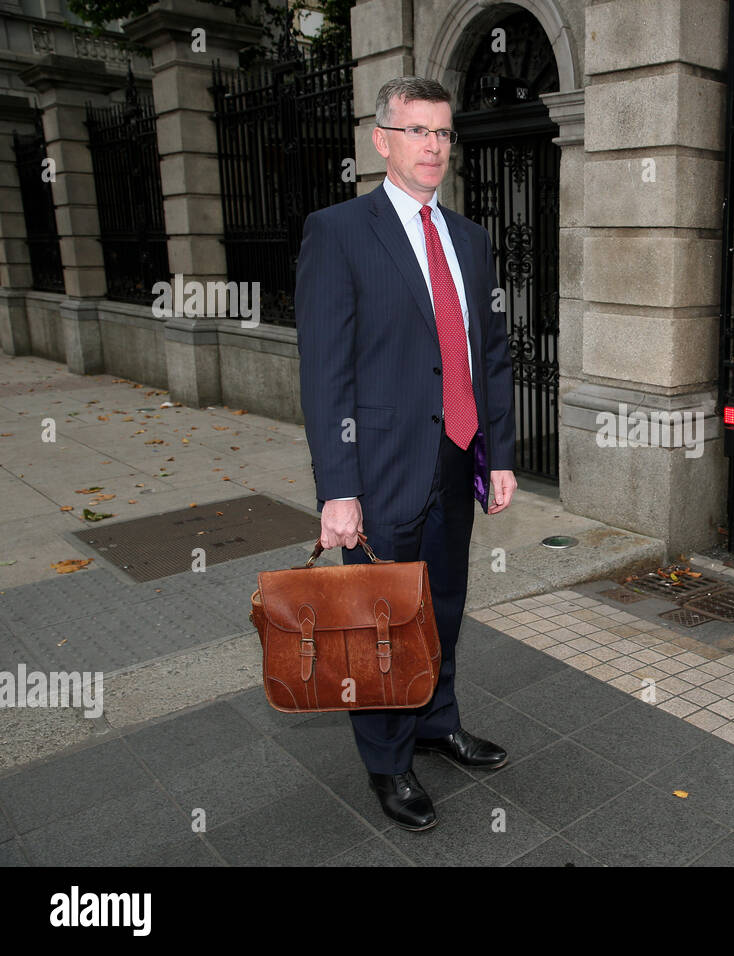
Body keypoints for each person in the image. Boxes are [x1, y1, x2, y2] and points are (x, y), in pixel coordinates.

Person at [295, 75, 518, 832]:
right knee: (378, 626)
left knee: (443, 608)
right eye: (417, 131)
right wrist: (337, 490)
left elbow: (489, 356)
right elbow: (325, 373)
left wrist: (502, 455)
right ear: (381, 139)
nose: (433, 146)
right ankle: (388, 764)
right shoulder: (339, 231)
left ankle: (436, 721)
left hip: (457, 459)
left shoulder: (470, 239)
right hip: (379, 468)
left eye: (443, 133)